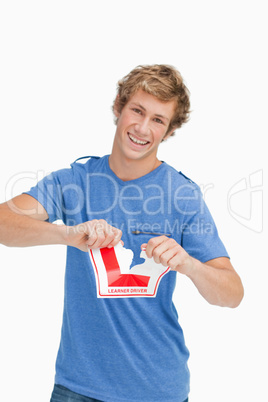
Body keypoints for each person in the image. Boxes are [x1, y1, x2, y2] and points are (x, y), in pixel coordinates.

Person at [0, 64, 244, 402]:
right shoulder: (73, 181)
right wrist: (67, 234)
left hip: (158, 390)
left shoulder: (182, 196)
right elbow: (4, 224)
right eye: (137, 111)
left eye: (158, 120)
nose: (143, 128)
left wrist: (190, 265)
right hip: (77, 389)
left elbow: (232, 294)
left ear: (169, 130)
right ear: (118, 106)